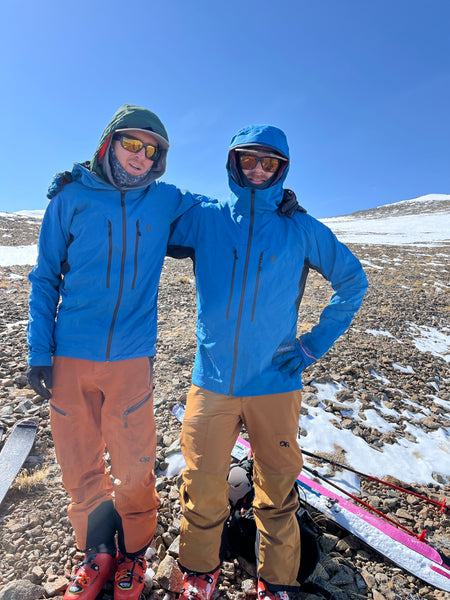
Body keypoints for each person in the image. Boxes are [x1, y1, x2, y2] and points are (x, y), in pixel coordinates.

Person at [166, 124, 369, 600]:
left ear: (282, 169)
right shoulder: (207, 218)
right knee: (201, 484)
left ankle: (275, 582)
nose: (258, 169)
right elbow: (144, 210)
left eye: (269, 162)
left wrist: (312, 345)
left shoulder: (300, 227)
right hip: (211, 381)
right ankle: (198, 572)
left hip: (275, 384)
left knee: (277, 491)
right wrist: (92, 183)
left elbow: (353, 282)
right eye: (248, 160)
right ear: (233, 163)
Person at [26, 104, 214, 600]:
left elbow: (227, 218)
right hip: (68, 357)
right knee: (78, 462)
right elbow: (45, 277)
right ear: (109, 143)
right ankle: (97, 554)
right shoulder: (70, 197)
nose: (141, 156)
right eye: (132, 143)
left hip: (131, 360)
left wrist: (275, 202)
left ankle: (133, 555)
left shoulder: (166, 200)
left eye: (152, 150)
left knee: (133, 465)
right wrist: (37, 348)